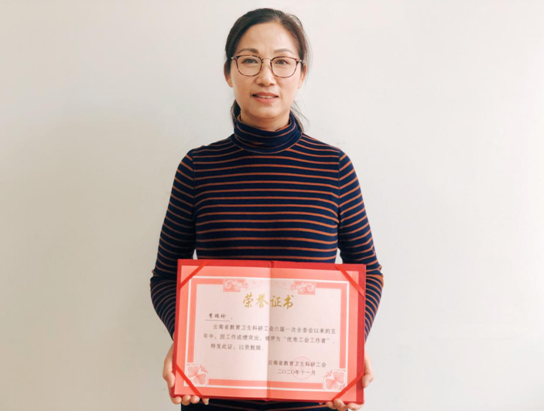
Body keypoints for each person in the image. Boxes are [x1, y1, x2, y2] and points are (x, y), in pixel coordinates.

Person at [150, 8, 384, 411]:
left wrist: (349, 343)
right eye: (250, 60)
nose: (266, 76)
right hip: (214, 393)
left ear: (301, 73)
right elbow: (165, 277)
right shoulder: (198, 168)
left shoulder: (333, 168)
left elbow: (370, 272)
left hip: (311, 397)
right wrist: (186, 338)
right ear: (229, 72)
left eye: (282, 62)